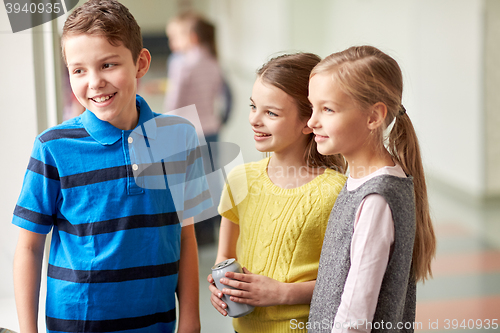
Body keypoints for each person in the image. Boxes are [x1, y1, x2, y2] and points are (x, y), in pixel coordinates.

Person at [12, 1, 211, 332]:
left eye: (107, 64)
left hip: (157, 324)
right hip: (75, 323)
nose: (94, 82)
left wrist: (191, 319)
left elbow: (186, 234)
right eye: (78, 70)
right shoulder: (52, 147)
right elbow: (29, 248)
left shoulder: (180, 135)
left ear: (140, 63)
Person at [207, 53, 347, 333]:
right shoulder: (239, 179)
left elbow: (347, 281)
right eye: (253, 106)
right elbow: (224, 256)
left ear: (309, 122)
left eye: (271, 113)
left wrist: (281, 294)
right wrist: (218, 285)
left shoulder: (336, 192)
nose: (255, 120)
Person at [306, 45, 436, 333]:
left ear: (373, 117)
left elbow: (354, 320)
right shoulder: (363, 181)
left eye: (327, 109)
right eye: (312, 107)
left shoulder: (376, 198)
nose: (312, 121)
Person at [165, 12, 228, 245]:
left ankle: (197, 234)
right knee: (212, 180)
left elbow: (174, 101)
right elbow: (223, 94)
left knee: (191, 183)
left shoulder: (181, 63)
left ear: (191, 37)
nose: (172, 44)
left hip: (189, 132)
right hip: (211, 129)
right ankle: (212, 231)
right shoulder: (213, 61)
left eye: (174, 37)